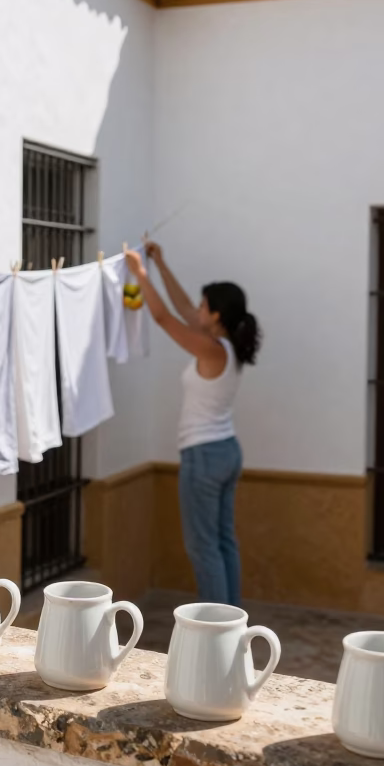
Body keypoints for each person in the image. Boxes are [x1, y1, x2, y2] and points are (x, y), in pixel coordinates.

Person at [124, 242, 261, 606]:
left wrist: (139, 274)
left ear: (216, 316)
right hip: (226, 451)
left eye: (204, 306)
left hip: (204, 456)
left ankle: (216, 631)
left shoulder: (212, 349)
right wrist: (160, 264)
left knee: (203, 548)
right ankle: (232, 622)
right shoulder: (226, 345)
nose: (197, 310)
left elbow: (164, 318)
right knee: (223, 541)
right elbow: (183, 308)